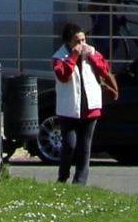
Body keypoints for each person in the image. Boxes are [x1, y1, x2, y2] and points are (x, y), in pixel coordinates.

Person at [50, 21, 116, 184]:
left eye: (83, 40)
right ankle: (62, 177)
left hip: (90, 106)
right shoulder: (59, 57)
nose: (82, 44)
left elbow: (105, 71)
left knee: (85, 146)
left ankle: (80, 182)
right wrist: (73, 56)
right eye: (77, 41)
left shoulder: (91, 53)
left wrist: (92, 57)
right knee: (70, 145)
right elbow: (63, 75)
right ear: (68, 42)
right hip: (69, 109)